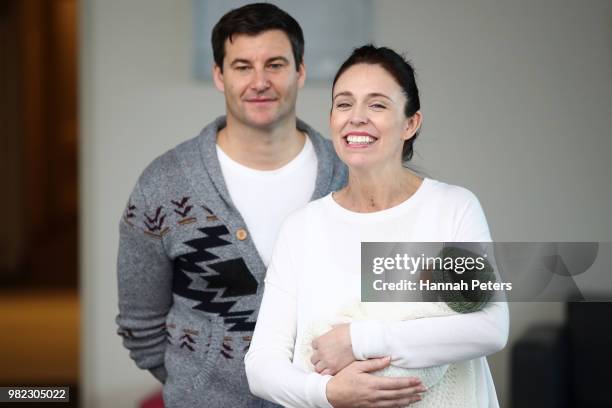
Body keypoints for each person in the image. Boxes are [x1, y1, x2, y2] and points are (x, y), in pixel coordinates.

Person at [245, 45, 509, 407]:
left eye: (377, 104)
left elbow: (489, 328)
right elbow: (261, 365)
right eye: (344, 103)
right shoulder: (302, 229)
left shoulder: (452, 209)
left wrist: (358, 340)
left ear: (410, 123)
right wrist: (328, 394)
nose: (356, 117)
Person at [114, 3, 349, 407]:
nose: (260, 81)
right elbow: (140, 325)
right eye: (242, 66)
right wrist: (200, 381)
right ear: (220, 76)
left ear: (301, 71)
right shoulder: (164, 186)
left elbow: (395, 297)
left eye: (275, 64)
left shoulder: (348, 175)